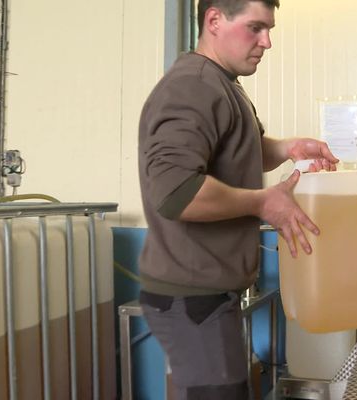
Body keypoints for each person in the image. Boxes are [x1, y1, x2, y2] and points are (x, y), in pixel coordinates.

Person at [137, 0, 339, 399]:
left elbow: (237, 151)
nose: (266, 42)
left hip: (208, 295)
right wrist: (263, 202)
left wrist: (287, 148)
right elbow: (176, 193)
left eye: (269, 30)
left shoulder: (222, 84)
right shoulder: (192, 85)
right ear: (214, 20)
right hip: (192, 297)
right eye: (255, 28)